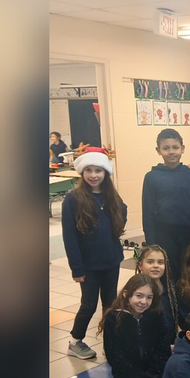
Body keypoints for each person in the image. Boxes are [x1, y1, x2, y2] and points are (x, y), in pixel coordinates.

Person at [71, 274, 170, 378]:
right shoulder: (114, 318)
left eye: (149, 297)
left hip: (154, 375)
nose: (144, 302)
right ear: (126, 294)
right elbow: (115, 357)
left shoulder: (156, 315)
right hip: (130, 375)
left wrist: (154, 376)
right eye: (139, 296)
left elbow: (163, 349)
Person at [62, 147, 127, 360]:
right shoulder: (73, 199)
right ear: (82, 173)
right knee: (89, 304)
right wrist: (77, 268)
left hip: (111, 260)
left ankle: (111, 342)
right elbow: (69, 236)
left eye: (98, 170)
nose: (93, 175)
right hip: (88, 265)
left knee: (110, 302)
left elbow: (122, 211)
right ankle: (75, 341)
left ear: (105, 173)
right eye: (88, 170)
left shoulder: (111, 197)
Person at [142, 129, 190, 277]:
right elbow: (147, 211)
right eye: (166, 148)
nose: (171, 152)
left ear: (182, 149)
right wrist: (151, 242)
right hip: (164, 234)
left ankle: (188, 300)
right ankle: (170, 300)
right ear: (158, 150)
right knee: (169, 273)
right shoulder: (151, 177)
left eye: (175, 147)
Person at [134, 245, 180, 344]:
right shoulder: (134, 292)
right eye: (150, 262)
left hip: (171, 342)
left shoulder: (170, 290)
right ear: (140, 265)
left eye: (160, 262)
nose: (156, 266)